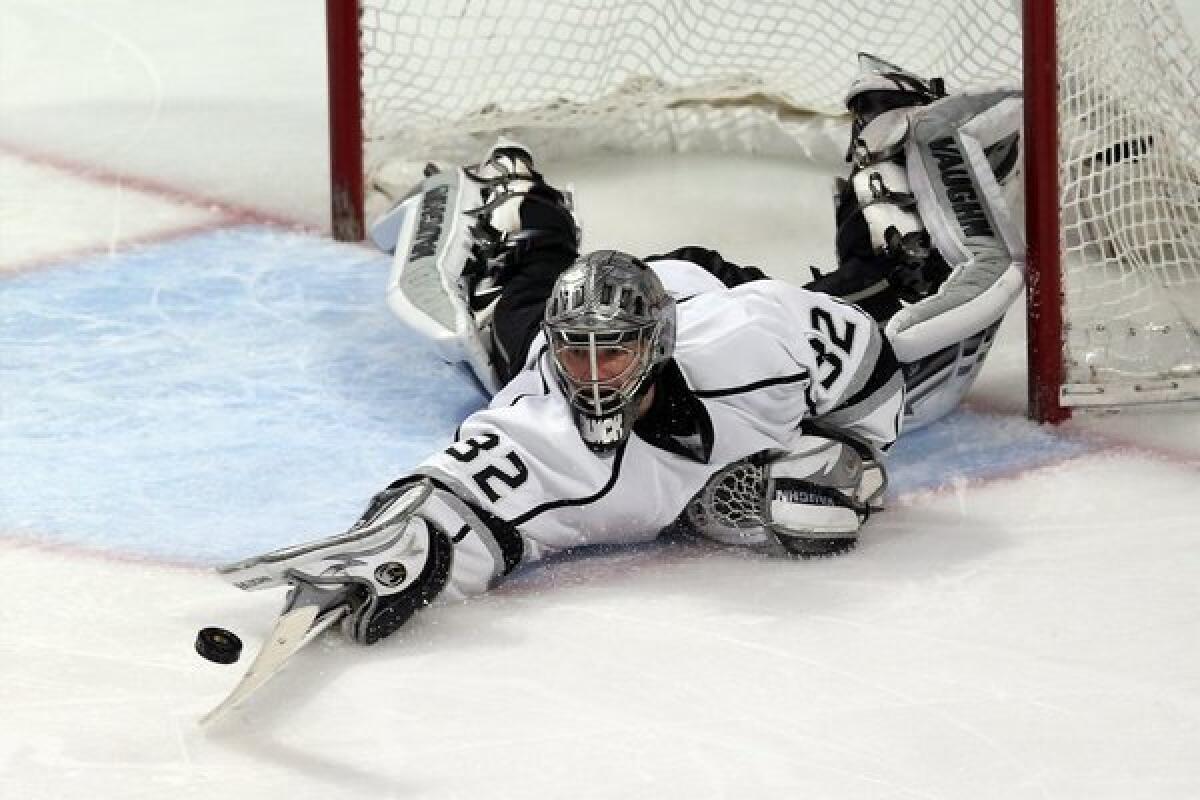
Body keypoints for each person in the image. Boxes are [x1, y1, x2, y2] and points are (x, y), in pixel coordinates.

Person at [219, 57, 1024, 647]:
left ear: (657, 342)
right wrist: (402, 554)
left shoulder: (754, 337)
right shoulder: (545, 416)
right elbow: (456, 496)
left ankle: (880, 159)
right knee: (514, 334)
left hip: (703, 283)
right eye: (579, 355)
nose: (591, 372)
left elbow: (866, 364)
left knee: (886, 295)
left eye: (612, 354)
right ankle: (526, 204)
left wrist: (851, 448)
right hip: (619, 302)